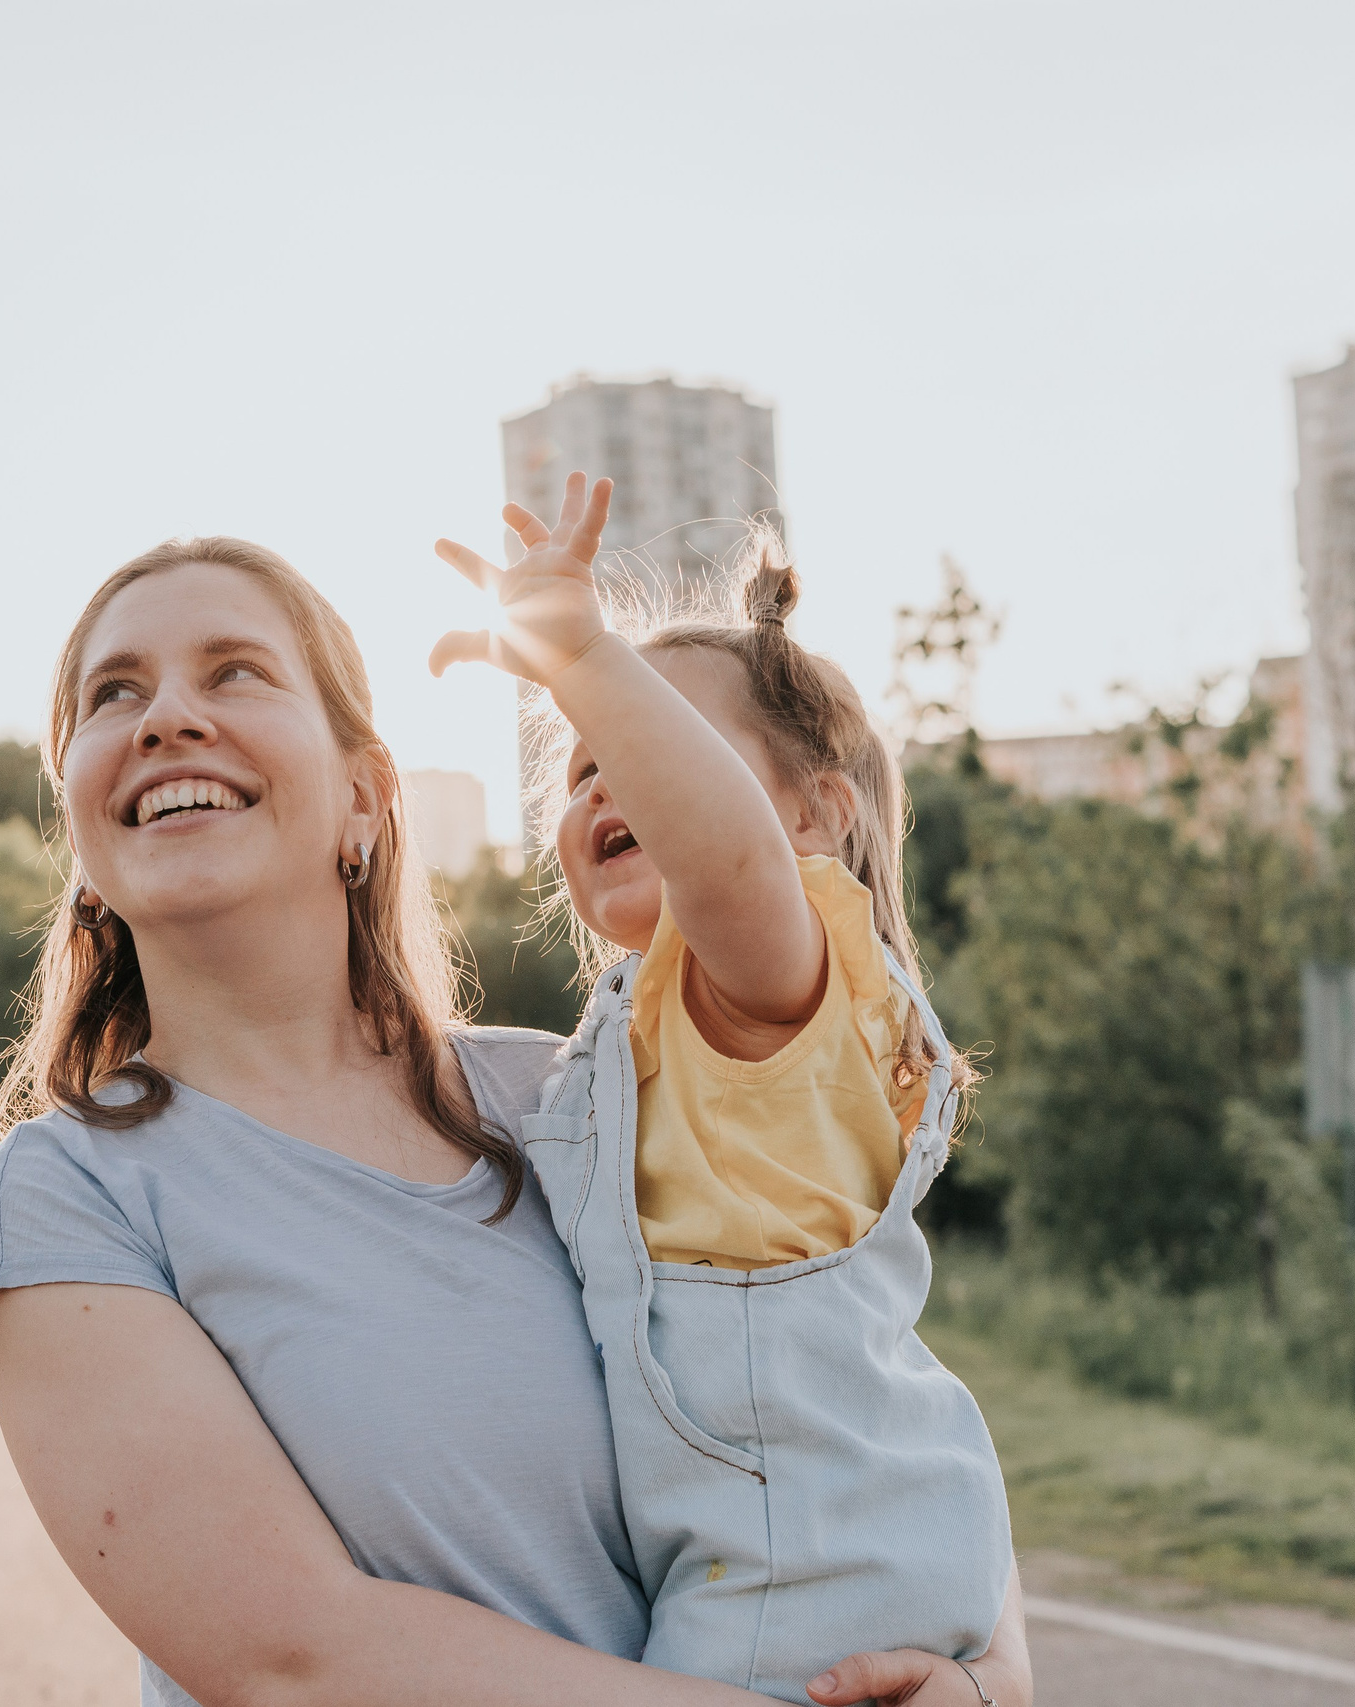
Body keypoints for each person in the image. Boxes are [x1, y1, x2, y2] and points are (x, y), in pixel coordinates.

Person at [0, 532, 1032, 1707]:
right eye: (112, 692)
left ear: (365, 798)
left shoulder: (568, 1101)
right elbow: (291, 1660)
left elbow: (856, 1385)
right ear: (79, 833)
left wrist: (988, 1677)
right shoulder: (61, 1200)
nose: (167, 716)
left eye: (235, 671)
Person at [429, 472, 1017, 1703]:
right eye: (578, 768)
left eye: (648, 741)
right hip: (767, 1550)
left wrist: (582, 651)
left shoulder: (772, 976)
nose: (600, 783)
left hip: (805, 1577)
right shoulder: (636, 1036)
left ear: (817, 817)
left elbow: (730, 859)